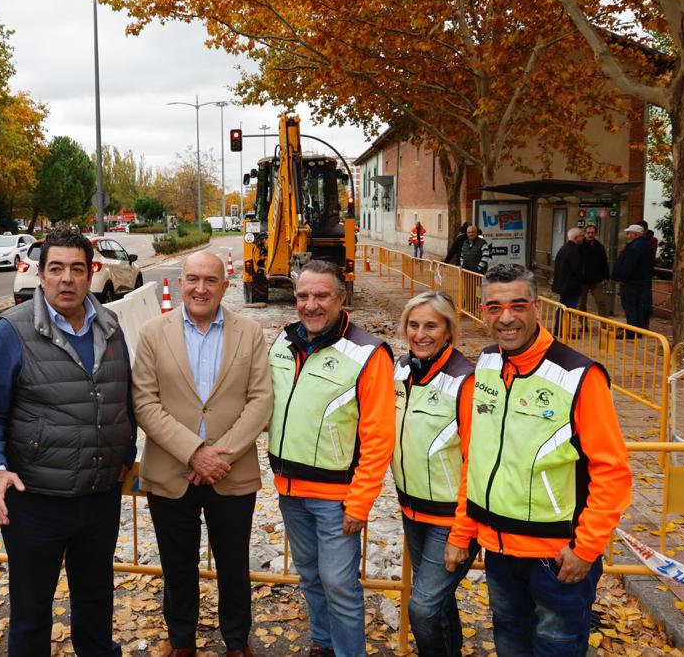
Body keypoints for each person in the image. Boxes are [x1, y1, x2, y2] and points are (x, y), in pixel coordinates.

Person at [445, 263, 631, 656]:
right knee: (509, 641)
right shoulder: (488, 363)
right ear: (482, 310)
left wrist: (586, 548)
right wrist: (463, 530)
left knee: (556, 647)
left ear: (537, 308)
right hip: (498, 549)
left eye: (517, 305)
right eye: (494, 307)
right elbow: (476, 457)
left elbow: (612, 471)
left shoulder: (578, 375)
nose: (506, 317)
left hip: (555, 556)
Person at [0, 229, 136, 656]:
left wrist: (126, 452)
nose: (67, 279)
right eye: (56, 268)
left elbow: (123, 396)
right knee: (31, 613)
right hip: (36, 502)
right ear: (40, 276)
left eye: (77, 269)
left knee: (96, 604)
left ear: (90, 274)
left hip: (98, 498)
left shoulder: (110, 326)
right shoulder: (13, 331)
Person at [132, 250, 273, 657]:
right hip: (171, 472)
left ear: (225, 286)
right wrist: (194, 453)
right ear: (180, 283)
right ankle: (181, 640)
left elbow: (260, 399)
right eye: (192, 279)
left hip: (232, 472)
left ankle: (236, 640)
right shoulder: (153, 333)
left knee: (234, 566)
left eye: (210, 280)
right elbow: (144, 401)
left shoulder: (249, 332)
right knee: (178, 567)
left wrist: (219, 456)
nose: (200, 288)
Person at [267, 260, 396, 657]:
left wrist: (360, 503)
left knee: (340, 585)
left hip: (336, 499)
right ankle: (323, 643)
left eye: (322, 295)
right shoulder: (283, 343)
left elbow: (378, 438)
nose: (310, 305)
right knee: (310, 577)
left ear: (341, 298)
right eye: (303, 295)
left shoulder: (368, 354)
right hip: (289, 490)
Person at [391, 291, 480, 657]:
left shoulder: (465, 380)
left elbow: (476, 461)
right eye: (413, 325)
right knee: (439, 604)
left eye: (431, 325)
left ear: (448, 331)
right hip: (413, 511)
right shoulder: (401, 369)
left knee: (423, 608)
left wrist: (462, 533)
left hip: (451, 518)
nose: (420, 334)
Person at [611, 224, 653, 333]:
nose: (627, 235)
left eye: (629, 233)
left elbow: (629, 266)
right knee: (637, 306)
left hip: (631, 282)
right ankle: (636, 329)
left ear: (634, 234)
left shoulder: (634, 247)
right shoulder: (644, 245)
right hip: (640, 281)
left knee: (630, 306)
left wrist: (622, 278)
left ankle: (631, 331)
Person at [551, 227, 585, 337]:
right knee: (568, 309)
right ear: (576, 237)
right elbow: (577, 269)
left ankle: (559, 329)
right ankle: (564, 331)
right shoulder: (574, 250)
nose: (583, 238)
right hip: (570, 286)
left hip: (563, 285)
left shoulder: (564, 248)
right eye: (581, 236)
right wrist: (582, 278)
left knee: (562, 308)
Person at [579, 225, 610, 317]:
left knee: (601, 302)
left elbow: (604, 262)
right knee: (581, 304)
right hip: (583, 280)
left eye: (592, 233)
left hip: (597, 280)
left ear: (595, 234)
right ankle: (582, 324)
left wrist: (606, 277)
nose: (590, 235)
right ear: (585, 234)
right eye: (588, 233)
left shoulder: (599, 247)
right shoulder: (580, 246)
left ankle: (604, 325)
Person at [639, 220, 657, 326]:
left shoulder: (651, 241)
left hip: (645, 274)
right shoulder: (636, 241)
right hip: (639, 275)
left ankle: (645, 322)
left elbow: (650, 256)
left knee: (645, 300)